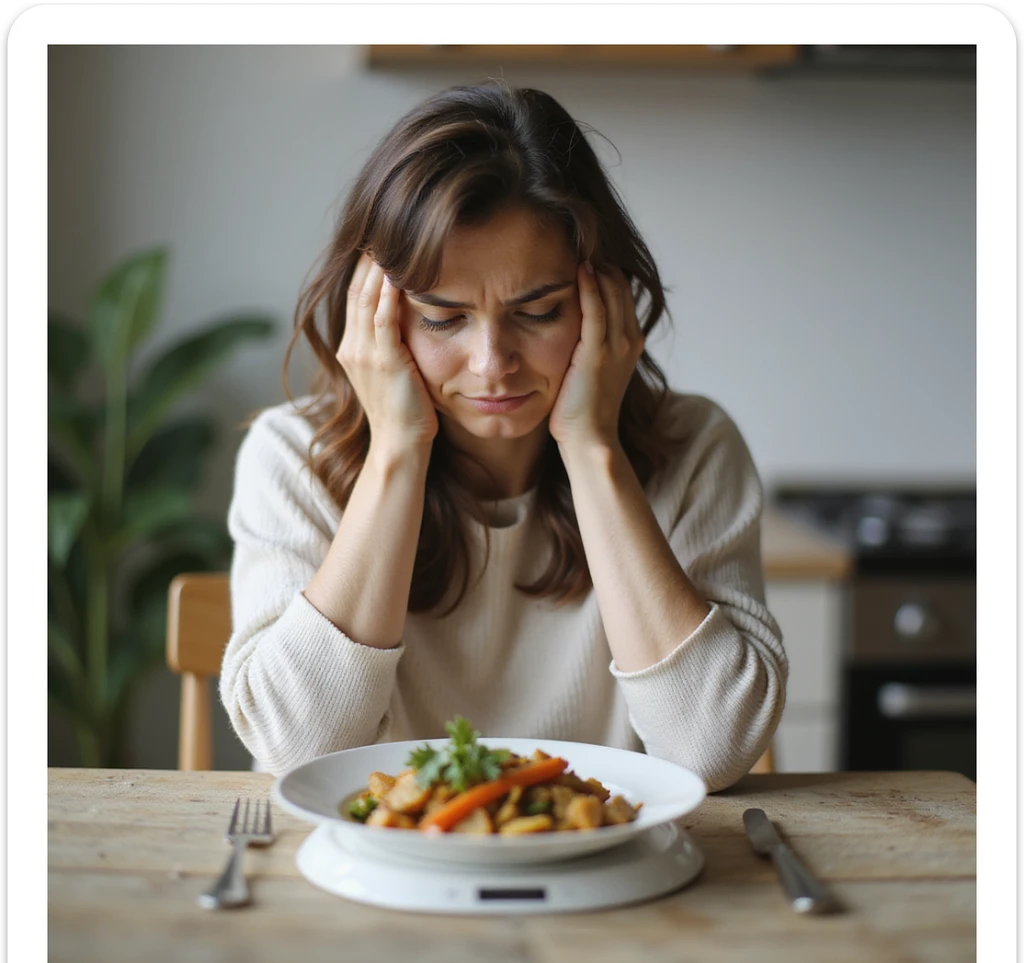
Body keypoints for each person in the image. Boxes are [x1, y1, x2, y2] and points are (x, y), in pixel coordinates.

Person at [220, 82, 787, 792]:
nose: (492, 363)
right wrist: (397, 452)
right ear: (379, 316)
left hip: (612, 884)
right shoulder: (290, 456)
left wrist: (592, 451)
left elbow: (713, 748)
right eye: (443, 318)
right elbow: (297, 748)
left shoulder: (695, 448)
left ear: (602, 299)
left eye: (540, 311)